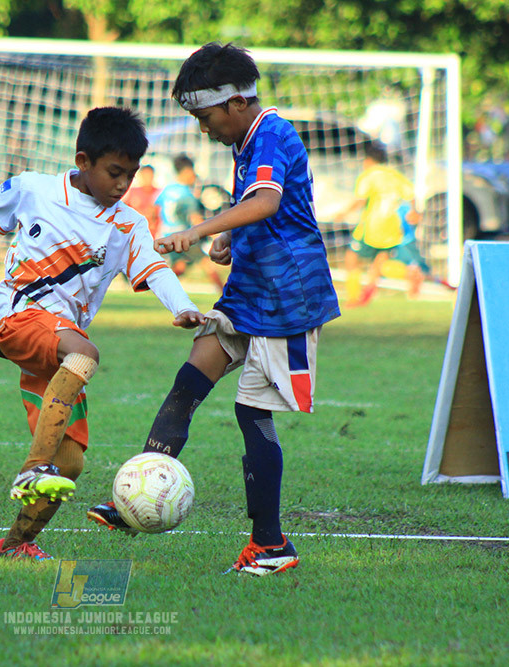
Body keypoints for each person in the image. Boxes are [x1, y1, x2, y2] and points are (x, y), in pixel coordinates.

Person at [0, 107, 205, 561]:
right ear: (83, 161)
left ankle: (17, 543)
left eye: (131, 174)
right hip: (19, 318)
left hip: (59, 346)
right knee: (86, 353)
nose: (123, 185)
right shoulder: (34, 189)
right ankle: (30, 469)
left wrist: (184, 308)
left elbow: (155, 269)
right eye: (115, 172)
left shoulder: (128, 224)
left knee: (72, 462)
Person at [86, 43, 341, 578]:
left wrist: (201, 231)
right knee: (189, 380)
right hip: (251, 290)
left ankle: (272, 546)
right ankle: (139, 494)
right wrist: (231, 242)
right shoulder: (246, 140)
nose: (203, 129)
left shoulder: (271, 132)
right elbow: (265, 207)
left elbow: (268, 201)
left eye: (204, 117)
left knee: (252, 413)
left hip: (286, 300)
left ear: (235, 102)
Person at [337, 142, 420, 306]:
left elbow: (361, 200)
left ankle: (354, 297)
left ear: (368, 160)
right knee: (379, 263)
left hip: (372, 227)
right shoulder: (394, 175)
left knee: (351, 258)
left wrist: (343, 213)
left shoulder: (368, 175)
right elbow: (411, 195)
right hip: (393, 227)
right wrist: (414, 211)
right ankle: (409, 273)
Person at [155, 154, 225, 290]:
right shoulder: (187, 194)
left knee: (180, 266)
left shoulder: (167, 190)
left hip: (167, 235)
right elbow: (196, 219)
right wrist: (214, 234)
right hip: (183, 236)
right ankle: (224, 293)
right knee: (207, 263)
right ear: (187, 172)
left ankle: (158, 287)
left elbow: (155, 210)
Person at [122, 164, 161, 237]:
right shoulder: (132, 192)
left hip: (152, 235)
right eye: (145, 176)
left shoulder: (158, 194)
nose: (147, 178)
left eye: (149, 176)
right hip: (135, 233)